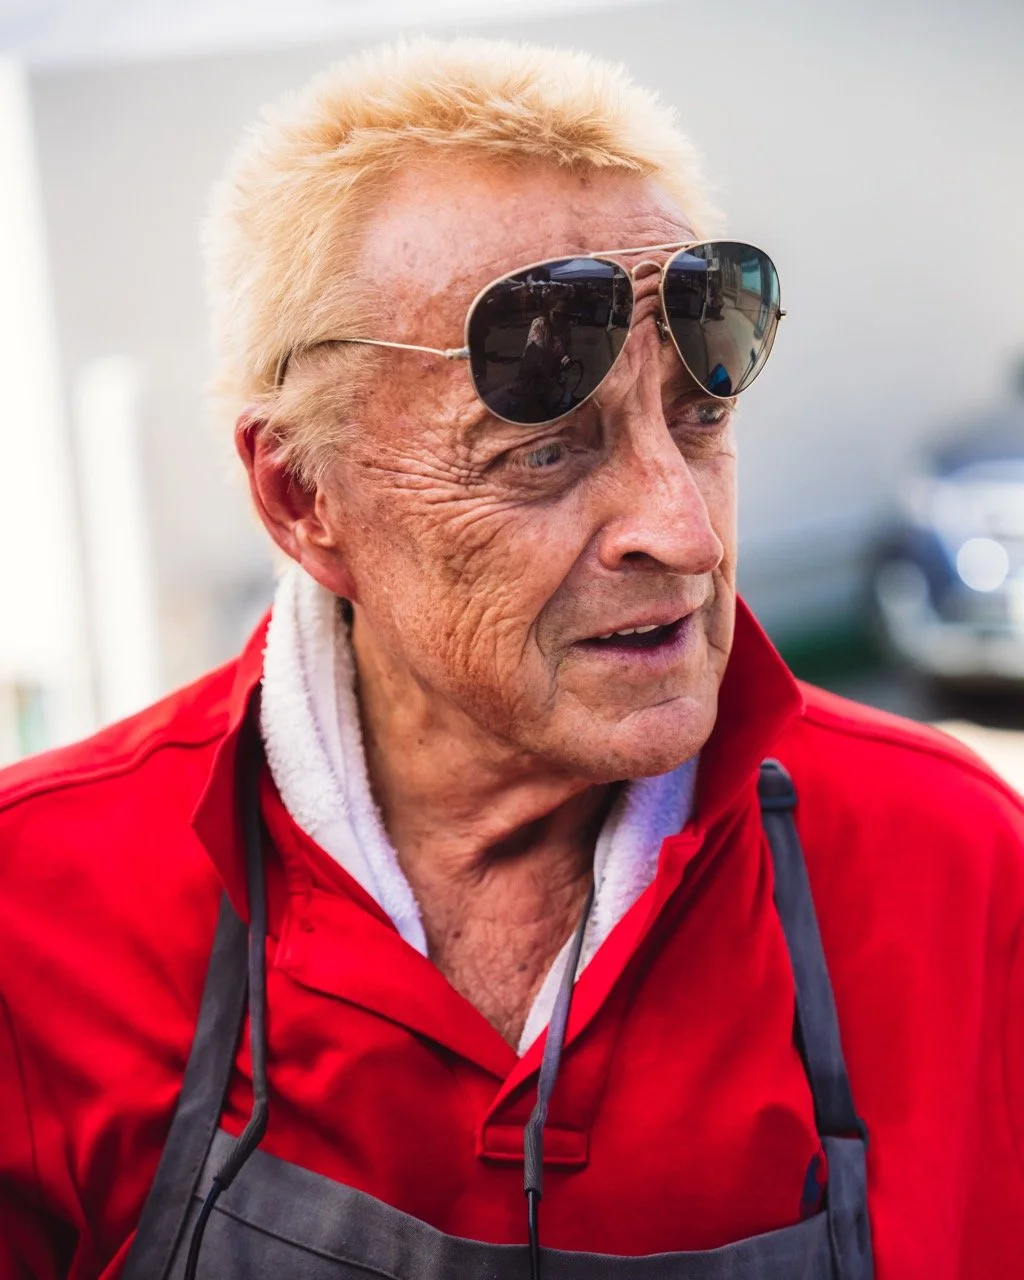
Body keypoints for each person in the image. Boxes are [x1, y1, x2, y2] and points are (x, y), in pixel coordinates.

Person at [1, 37, 1022, 1280]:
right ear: (301, 495)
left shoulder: (948, 865)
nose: (685, 533)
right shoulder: (36, 915)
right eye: (544, 449)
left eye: (699, 418)